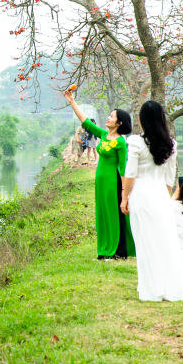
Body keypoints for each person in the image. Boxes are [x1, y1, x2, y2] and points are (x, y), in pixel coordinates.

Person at [121, 100, 183, 302]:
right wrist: (164, 198)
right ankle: (168, 286)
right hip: (161, 195)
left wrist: (125, 198)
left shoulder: (135, 142)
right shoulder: (171, 144)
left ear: (141, 120)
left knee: (144, 242)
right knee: (163, 240)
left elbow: (130, 174)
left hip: (141, 194)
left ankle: (150, 287)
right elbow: (169, 178)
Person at [64, 87, 136, 259]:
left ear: (119, 123)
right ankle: (103, 250)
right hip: (100, 182)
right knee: (102, 214)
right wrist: (72, 101)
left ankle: (115, 251)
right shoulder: (104, 135)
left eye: (112, 116)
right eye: (109, 115)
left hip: (112, 183)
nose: (108, 117)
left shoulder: (120, 142)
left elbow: (122, 168)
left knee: (112, 214)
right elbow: (85, 121)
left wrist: (124, 194)